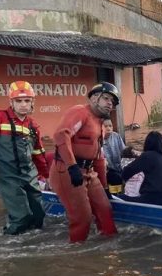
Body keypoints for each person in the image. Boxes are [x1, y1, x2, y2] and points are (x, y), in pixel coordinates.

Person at [0, 80, 49, 235]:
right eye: (18, 101)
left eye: (27, 101)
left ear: (32, 103)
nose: (23, 105)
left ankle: (34, 246)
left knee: (39, 215)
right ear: (11, 102)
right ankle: (9, 244)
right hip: (8, 176)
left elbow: (38, 155)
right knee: (21, 217)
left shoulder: (33, 126)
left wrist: (47, 176)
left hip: (30, 175)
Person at [49, 82, 119, 243]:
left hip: (89, 171)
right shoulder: (80, 112)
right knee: (82, 217)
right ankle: (77, 252)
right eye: (106, 98)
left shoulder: (100, 123)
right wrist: (72, 166)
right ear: (94, 98)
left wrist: (105, 186)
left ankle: (110, 247)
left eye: (113, 102)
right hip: (67, 170)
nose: (110, 103)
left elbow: (99, 158)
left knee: (105, 209)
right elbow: (61, 135)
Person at [120, 131, 162, 206]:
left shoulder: (148, 156)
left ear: (147, 143)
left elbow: (127, 171)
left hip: (153, 200)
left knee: (120, 198)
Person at [102, 118, 125, 192]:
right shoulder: (99, 140)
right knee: (116, 178)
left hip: (119, 167)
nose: (108, 128)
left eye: (110, 126)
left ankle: (120, 192)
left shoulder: (116, 136)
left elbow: (124, 151)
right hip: (107, 170)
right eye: (105, 126)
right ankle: (115, 194)